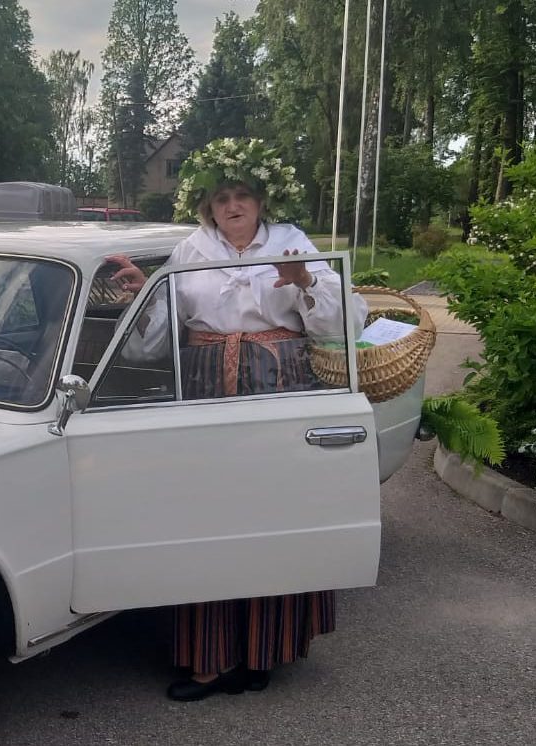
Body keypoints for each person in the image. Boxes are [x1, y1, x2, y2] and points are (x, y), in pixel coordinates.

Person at [105, 138, 367, 702]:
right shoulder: (190, 249)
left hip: (280, 386)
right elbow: (157, 338)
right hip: (204, 390)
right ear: (208, 206)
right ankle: (211, 658)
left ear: (261, 201)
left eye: (242, 195)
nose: (232, 206)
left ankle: (263, 651)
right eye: (221, 198)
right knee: (208, 515)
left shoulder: (291, 242)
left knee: (272, 511)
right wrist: (144, 294)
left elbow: (343, 323)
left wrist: (305, 281)